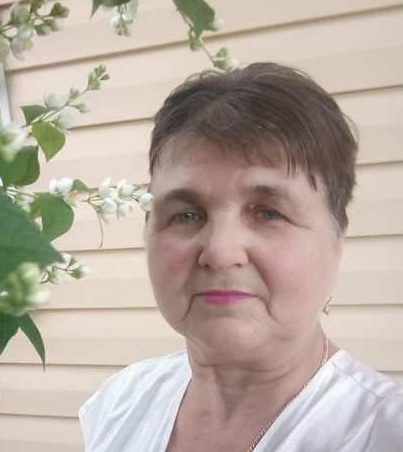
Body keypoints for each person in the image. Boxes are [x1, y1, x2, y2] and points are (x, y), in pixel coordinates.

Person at [79, 63, 403, 452]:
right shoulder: (121, 403)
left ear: (337, 240)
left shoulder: (382, 433)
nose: (220, 252)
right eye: (186, 215)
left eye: (269, 213)